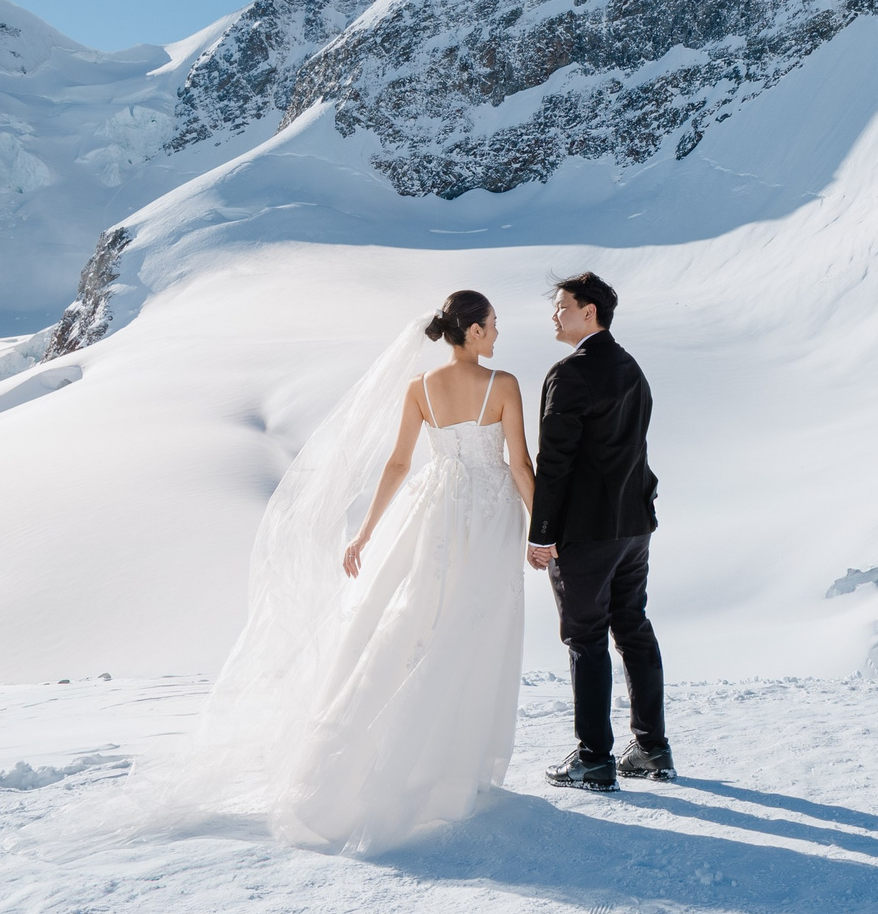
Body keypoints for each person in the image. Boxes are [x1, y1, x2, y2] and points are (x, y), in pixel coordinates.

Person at [222, 289, 535, 854]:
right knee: (476, 630)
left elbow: (398, 462)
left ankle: (367, 766)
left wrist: (366, 533)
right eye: (492, 323)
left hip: (434, 512)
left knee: (416, 623)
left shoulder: (420, 389)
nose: (497, 332)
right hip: (490, 518)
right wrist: (542, 528)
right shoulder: (504, 384)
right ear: (472, 330)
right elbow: (518, 464)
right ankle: (447, 770)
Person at [526, 270, 672, 791]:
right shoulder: (631, 368)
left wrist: (541, 532)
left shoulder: (569, 374)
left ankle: (594, 758)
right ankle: (652, 748)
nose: (555, 315)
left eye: (562, 306)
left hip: (587, 533)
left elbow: (555, 461)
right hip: (634, 526)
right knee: (632, 627)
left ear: (589, 311)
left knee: (585, 638)